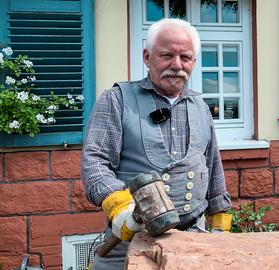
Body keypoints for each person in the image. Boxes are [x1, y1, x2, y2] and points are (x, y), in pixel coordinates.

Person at [81, 18, 232, 269]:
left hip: (193, 243)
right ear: (147, 56)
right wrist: (120, 208)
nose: (176, 65)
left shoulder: (201, 107)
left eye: (185, 57)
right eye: (166, 55)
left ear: (194, 61)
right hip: (129, 245)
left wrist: (219, 224)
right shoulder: (116, 100)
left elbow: (213, 166)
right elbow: (94, 163)